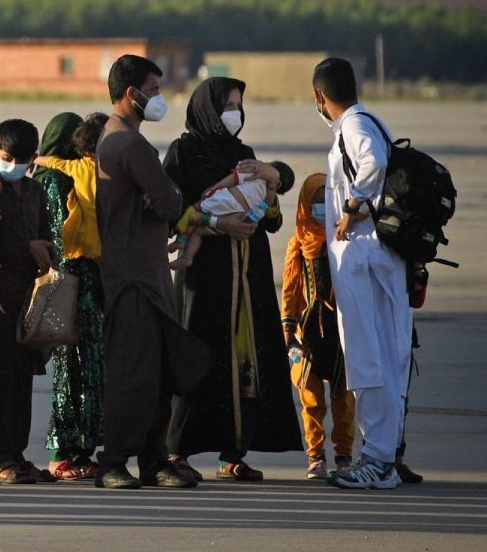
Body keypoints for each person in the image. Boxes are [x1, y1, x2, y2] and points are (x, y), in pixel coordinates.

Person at [94, 55, 248, 491]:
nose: (159, 100)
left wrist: (165, 194)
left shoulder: (117, 140)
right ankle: (113, 461)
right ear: (132, 94)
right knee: (134, 373)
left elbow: (163, 200)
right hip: (134, 279)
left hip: (147, 274)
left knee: (160, 371)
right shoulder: (128, 144)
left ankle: (153, 458)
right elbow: (170, 203)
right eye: (155, 91)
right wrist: (169, 193)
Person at [161, 78, 301, 481]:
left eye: (239, 105)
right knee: (196, 355)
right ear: (208, 108)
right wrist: (217, 223)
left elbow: (270, 216)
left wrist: (272, 185)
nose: (235, 113)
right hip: (204, 275)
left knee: (246, 358)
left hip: (246, 273)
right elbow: (173, 212)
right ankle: (177, 451)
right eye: (228, 105)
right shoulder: (183, 152)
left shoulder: (245, 155)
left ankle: (232, 453)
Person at [313, 56, 412, 491]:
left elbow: (370, 164)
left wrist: (352, 208)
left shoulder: (354, 127)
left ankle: (376, 459)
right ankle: (385, 457)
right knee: (386, 359)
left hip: (364, 259)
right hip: (377, 258)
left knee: (369, 357)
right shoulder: (368, 119)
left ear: (320, 96)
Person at [0, 118, 58, 483]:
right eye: (8, 157)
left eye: (22, 160)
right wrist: (27, 247)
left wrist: (45, 250)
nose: (14, 165)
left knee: (23, 377)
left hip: (27, 295)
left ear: (34, 159)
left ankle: (18, 454)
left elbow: (46, 231)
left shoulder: (35, 191)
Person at [30, 111, 105, 481]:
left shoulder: (79, 175)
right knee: (70, 371)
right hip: (70, 285)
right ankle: (61, 453)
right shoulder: (54, 182)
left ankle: (80, 450)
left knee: (87, 369)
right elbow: (59, 239)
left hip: (86, 283)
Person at [282, 172, 356, 480]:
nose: (321, 205)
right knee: (310, 399)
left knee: (344, 397)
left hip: (342, 331)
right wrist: (287, 331)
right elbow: (289, 287)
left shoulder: (346, 239)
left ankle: (344, 455)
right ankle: (315, 458)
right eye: (315, 200)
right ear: (304, 204)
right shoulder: (298, 243)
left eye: (327, 199)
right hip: (308, 331)